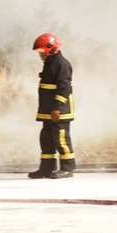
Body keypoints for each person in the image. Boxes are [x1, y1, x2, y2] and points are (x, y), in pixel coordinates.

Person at [28, 33, 75, 179]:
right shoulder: (50, 63)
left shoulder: (61, 64)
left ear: (50, 48)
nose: (40, 55)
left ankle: (68, 168)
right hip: (48, 110)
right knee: (46, 139)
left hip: (59, 110)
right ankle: (47, 168)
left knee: (61, 139)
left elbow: (65, 88)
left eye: (41, 52)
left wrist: (57, 108)